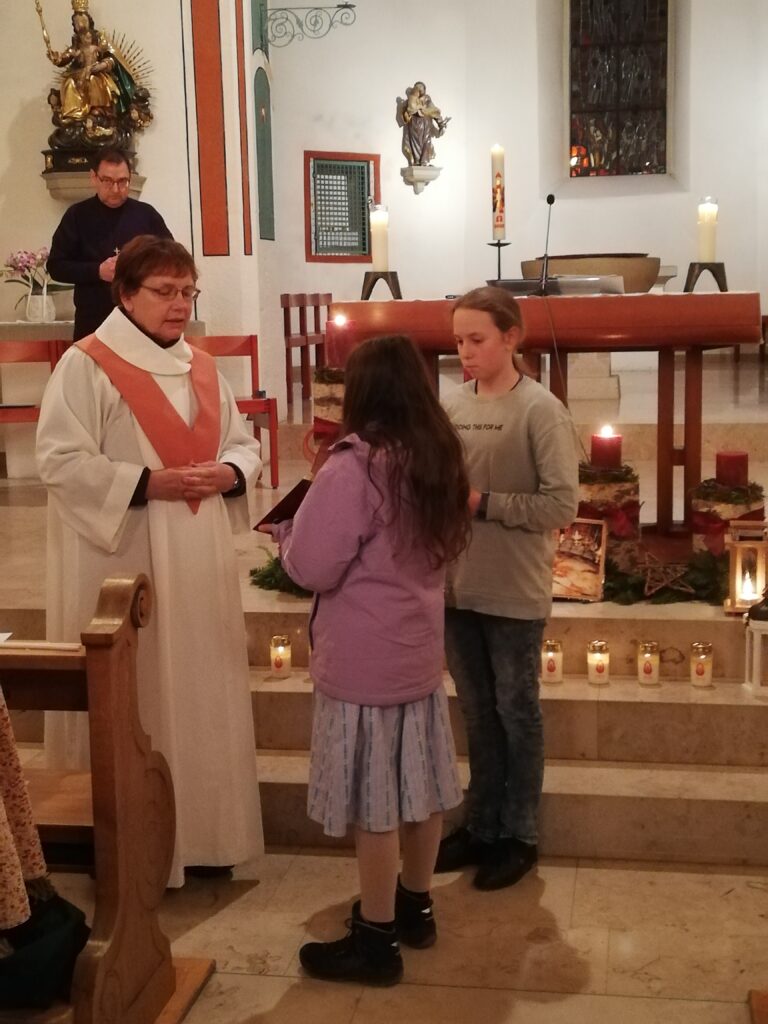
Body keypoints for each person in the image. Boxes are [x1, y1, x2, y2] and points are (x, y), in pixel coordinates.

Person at [36, 235, 263, 887]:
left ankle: (209, 836)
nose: (180, 304)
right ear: (126, 295)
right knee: (141, 697)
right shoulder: (86, 365)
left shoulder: (202, 368)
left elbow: (243, 444)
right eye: (165, 292)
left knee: (199, 691)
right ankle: (133, 849)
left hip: (198, 566)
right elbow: (59, 460)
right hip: (125, 560)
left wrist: (230, 472)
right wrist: (145, 483)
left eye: (188, 291)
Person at [263, 336, 471, 985]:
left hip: (364, 663)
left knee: (376, 802)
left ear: (362, 393)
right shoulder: (437, 456)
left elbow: (312, 567)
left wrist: (285, 531)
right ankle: (415, 907)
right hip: (416, 655)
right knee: (422, 789)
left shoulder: (355, 467)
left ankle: (377, 942)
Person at [435, 286, 579, 891]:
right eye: (458, 341)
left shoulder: (540, 410)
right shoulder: (450, 404)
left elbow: (560, 505)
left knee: (516, 712)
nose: (465, 352)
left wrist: (482, 502)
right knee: (476, 711)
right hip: (456, 584)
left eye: (477, 339)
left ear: (512, 337)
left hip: (513, 586)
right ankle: (481, 824)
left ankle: (519, 833)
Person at [48, 147, 172, 340]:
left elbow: (170, 260)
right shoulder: (77, 216)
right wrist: (97, 271)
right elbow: (56, 267)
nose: (115, 189)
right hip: (93, 321)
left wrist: (141, 269)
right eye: (107, 181)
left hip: (142, 320)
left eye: (122, 181)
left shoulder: (147, 215)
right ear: (94, 178)